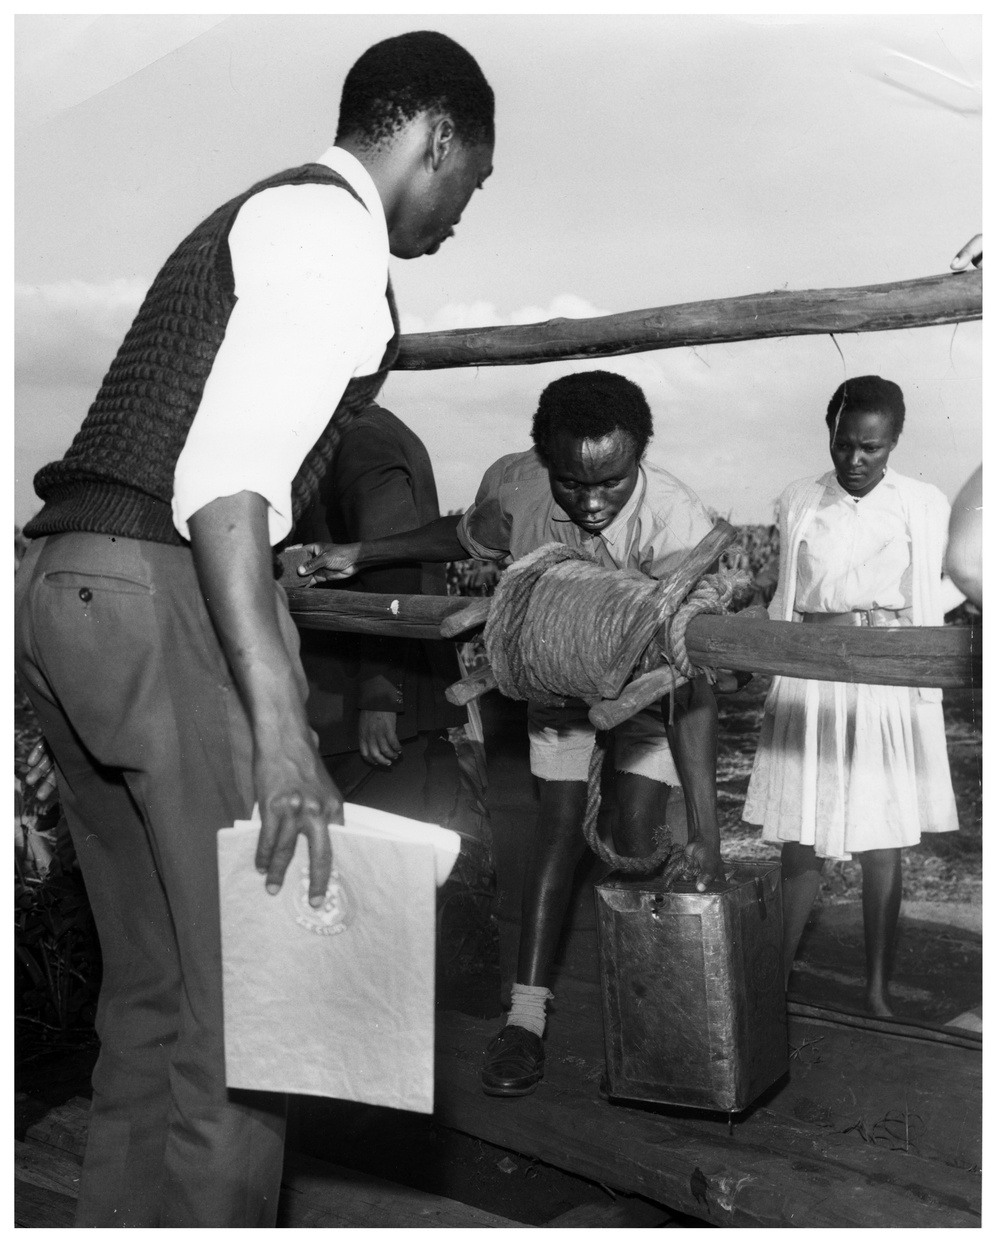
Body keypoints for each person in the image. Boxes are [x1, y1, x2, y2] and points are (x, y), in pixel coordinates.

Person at [14, 31, 494, 1227]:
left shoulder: (249, 214)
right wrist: (280, 729)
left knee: (154, 990)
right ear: (434, 138)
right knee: (254, 1022)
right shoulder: (334, 232)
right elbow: (227, 488)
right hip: (160, 588)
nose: (458, 214)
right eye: (468, 181)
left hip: (67, 585)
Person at [299, 369, 726, 1096]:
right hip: (556, 684)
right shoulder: (522, 488)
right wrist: (361, 556)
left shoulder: (677, 528)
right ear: (542, 463)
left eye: (612, 483)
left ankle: (664, 1010)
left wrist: (708, 832)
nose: (591, 503)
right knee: (556, 829)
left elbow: (692, 683)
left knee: (633, 837)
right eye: (571, 483)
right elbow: (461, 533)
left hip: (652, 695)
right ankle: (525, 1018)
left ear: (642, 457)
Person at [742, 375, 959, 1018]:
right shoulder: (799, 499)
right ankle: (771, 980)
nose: (856, 461)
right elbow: (786, 589)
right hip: (812, 672)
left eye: (872, 448)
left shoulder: (922, 502)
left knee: (881, 833)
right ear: (830, 436)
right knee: (801, 832)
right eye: (844, 446)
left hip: (886, 676)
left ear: (893, 442)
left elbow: (942, 588)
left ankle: (877, 992)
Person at [292, 402, 468, 822]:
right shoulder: (367, 427)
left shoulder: (359, 437)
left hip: (368, 701)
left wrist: (381, 697)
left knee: (376, 863)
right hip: (371, 693)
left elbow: (393, 576)